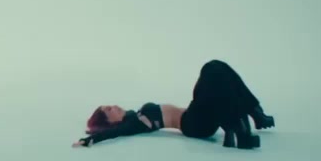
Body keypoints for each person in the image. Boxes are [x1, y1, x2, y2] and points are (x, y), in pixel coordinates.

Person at [73, 60, 275, 150]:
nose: (113, 106)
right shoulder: (134, 123)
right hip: (193, 125)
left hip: (198, 118)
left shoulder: (138, 115)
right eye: (108, 110)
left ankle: (253, 116)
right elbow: (114, 134)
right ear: (111, 121)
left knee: (218, 69)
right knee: (211, 70)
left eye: (109, 105)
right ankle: (245, 122)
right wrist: (90, 140)